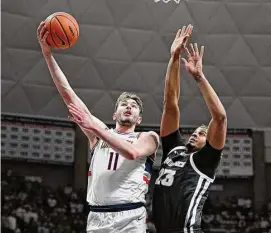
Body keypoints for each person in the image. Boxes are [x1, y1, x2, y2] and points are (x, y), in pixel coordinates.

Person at [37, 22, 159, 233]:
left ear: (139, 118)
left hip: (130, 216)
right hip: (97, 217)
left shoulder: (147, 137)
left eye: (134, 106)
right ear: (115, 114)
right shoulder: (99, 134)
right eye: (124, 104)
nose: (129, 107)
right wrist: (47, 55)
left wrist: (94, 126)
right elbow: (68, 94)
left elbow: (131, 153)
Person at [152, 25, 227, 233]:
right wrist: (174, 57)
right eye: (195, 131)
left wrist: (199, 78)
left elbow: (220, 118)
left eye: (202, 133)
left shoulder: (206, 161)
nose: (195, 133)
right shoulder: (174, 150)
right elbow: (170, 103)